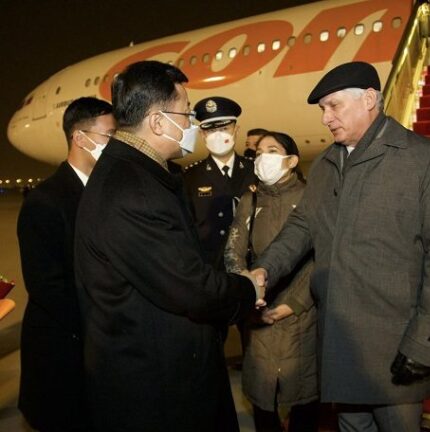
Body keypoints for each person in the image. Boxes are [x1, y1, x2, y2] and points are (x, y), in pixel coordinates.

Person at [250, 61, 430, 432]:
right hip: (341, 347)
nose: (325, 118)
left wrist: (425, 344)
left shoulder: (422, 158)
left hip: (397, 348)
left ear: (369, 99)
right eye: (322, 109)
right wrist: (265, 268)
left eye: (333, 106)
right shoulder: (325, 164)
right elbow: (302, 226)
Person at [74, 61, 261, 432]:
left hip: (165, 370)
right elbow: (190, 287)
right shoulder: (134, 190)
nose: (192, 124)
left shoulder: (137, 174)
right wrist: (247, 288)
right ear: (159, 122)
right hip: (160, 389)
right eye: (187, 113)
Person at [17, 97, 115, 431]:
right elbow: (47, 286)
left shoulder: (112, 192)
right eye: (109, 136)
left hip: (104, 345)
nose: (115, 146)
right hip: (65, 347)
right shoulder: (45, 201)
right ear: (80, 138)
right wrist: (105, 324)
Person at [225, 131, 318, 432]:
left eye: (272, 150)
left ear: (291, 161)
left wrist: (295, 303)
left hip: (300, 314)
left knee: (303, 396)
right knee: (263, 399)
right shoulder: (250, 200)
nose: (263, 157)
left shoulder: (310, 197)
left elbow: (321, 258)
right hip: (258, 309)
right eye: (259, 151)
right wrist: (246, 291)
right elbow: (235, 249)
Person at [183, 96, 256, 270]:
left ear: (236, 130)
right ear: (202, 134)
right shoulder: (190, 176)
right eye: (210, 130)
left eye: (224, 128)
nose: (218, 135)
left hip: (252, 264)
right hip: (212, 267)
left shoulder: (255, 169)